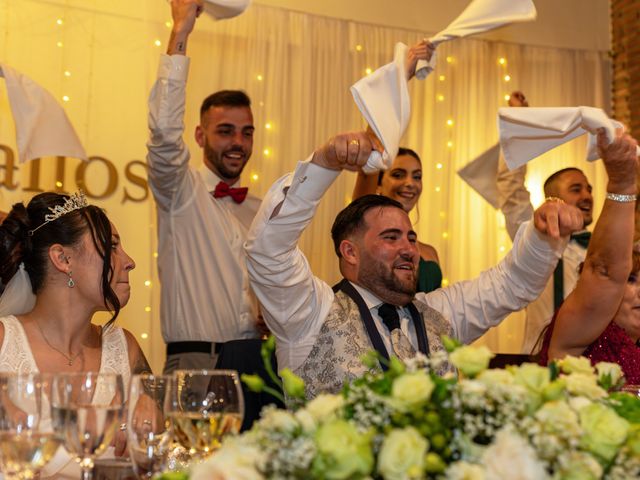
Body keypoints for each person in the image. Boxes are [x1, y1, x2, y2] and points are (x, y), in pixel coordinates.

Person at [245, 130, 584, 399]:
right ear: (350, 252)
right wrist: (323, 164)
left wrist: (542, 236)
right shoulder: (309, 313)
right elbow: (267, 251)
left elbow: (511, 284)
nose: (409, 248)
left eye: (410, 237)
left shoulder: (440, 312)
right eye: (391, 237)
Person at [146, 0, 280, 427]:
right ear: (201, 135)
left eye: (246, 132)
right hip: (196, 366)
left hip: (260, 365)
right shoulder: (179, 192)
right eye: (225, 131)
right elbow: (165, 138)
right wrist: (180, 33)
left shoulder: (260, 208)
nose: (238, 142)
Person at [0, 191, 150, 478]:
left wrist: (148, 411)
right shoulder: (3, 343)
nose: (129, 261)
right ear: (62, 258)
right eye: (112, 246)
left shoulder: (125, 347)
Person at [496, 91, 594, 354]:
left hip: (598, 368)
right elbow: (510, 188)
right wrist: (519, 122)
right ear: (553, 198)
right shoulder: (534, 239)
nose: (587, 195)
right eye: (576, 189)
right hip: (539, 365)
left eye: (589, 189)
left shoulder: (602, 248)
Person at [539, 129, 640, 382]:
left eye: (589, 189)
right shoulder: (542, 238)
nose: (586, 195)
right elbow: (604, 272)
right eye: (630, 280)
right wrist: (622, 184)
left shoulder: (610, 240)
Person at [352, 147, 442, 292]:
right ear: (378, 184)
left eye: (417, 177)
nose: (410, 183)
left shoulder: (430, 252)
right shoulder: (365, 237)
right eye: (398, 175)